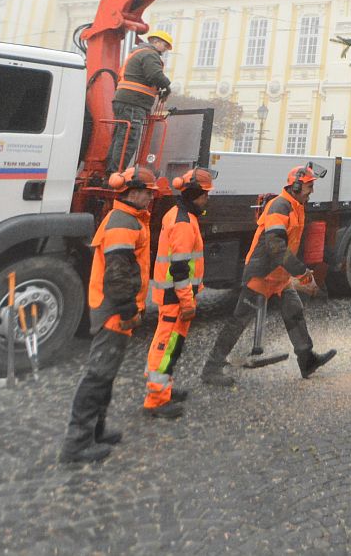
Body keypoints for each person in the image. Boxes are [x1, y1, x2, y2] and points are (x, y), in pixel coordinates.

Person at [58, 167, 161, 466]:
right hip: (113, 311)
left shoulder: (128, 219)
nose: (151, 196)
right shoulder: (123, 223)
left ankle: (96, 431)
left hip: (115, 308)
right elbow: (118, 271)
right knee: (98, 374)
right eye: (148, 191)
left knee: (106, 374)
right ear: (133, 191)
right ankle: (75, 446)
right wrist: (128, 307)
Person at [200, 164, 336, 387]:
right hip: (262, 273)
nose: (312, 191)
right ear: (296, 186)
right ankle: (211, 368)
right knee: (239, 320)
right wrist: (301, 272)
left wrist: (294, 272)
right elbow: (275, 247)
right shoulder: (279, 207)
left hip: (279, 276)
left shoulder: (297, 206)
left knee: (294, 313)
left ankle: (307, 359)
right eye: (309, 187)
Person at [142, 168, 209, 415]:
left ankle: (162, 386)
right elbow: (180, 268)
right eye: (205, 195)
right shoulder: (183, 222)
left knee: (167, 344)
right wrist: (187, 301)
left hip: (172, 295)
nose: (207, 200)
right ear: (194, 195)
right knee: (167, 346)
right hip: (176, 297)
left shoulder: (179, 214)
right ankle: (157, 400)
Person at [110, 29, 173, 172]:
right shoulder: (150, 54)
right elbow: (155, 75)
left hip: (124, 101)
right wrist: (167, 86)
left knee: (120, 138)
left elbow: (143, 78)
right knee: (128, 140)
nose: (165, 50)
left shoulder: (138, 53)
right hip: (134, 102)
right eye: (165, 45)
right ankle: (116, 173)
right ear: (156, 42)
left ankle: (111, 171)